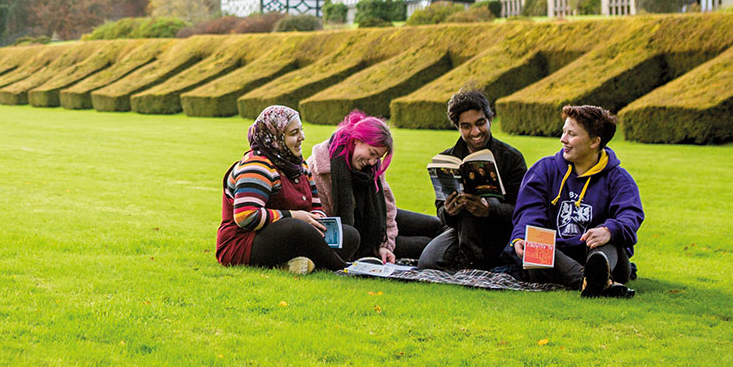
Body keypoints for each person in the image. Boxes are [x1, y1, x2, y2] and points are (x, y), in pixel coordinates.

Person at [509, 105, 644, 298]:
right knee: (536, 244)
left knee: (608, 245)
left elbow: (631, 214)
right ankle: (592, 281)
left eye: (571, 134)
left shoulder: (619, 178)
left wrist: (609, 230)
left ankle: (597, 276)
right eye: (564, 132)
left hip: (602, 256)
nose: (563, 139)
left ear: (594, 142)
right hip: (553, 256)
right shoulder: (544, 170)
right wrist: (522, 235)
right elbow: (529, 212)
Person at [216, 105, 358, 274]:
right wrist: (294, 215)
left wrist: (318, 222)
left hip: (293, 235)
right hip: (243, 243)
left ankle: (295, 263)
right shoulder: (257, 166)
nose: (302, 137)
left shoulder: (300, 165)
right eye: (293, 133)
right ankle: (342, 267)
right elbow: (245, 216)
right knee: (296, 228)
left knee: (349, 235)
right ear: (274, 138)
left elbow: (316, 206)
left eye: (301, 130)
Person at [306, 110, 443, 263]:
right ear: (357, 140)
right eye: (371, 153)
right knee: (427, 245)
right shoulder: (319, 167)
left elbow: (387, 207)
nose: (372, 162)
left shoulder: (370, 168)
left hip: (376, 222)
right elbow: (319, 218)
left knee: (435, 225)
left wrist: (387, 244)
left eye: (377, 157)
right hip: (358, 236)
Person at [418, 88, 527, 271]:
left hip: (499, 229)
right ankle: (469, 260)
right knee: (428, 263)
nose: (475, 132)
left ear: (490, 120)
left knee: (477, 199)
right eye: (466, 126)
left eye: (480, 123)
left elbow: (520, 210)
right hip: (460, 230)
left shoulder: (511, 158)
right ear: (458, 127)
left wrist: (488, 210)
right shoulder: (447, 159)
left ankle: (472, 262)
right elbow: (440, 211)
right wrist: (448, 210)